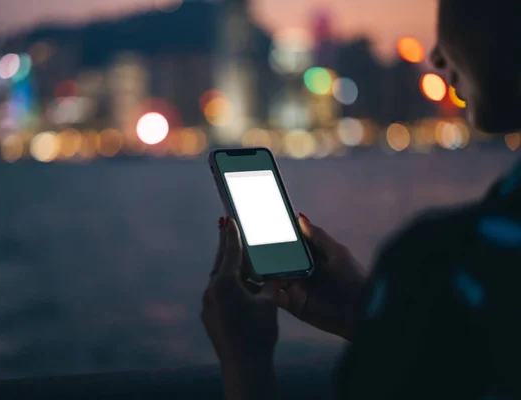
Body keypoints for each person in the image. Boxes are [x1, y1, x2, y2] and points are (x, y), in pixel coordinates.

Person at [201, 0, 521, 398]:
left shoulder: (447, 260)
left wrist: (245, 366)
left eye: (456, 12)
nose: (436, 53)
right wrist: (370, 313)